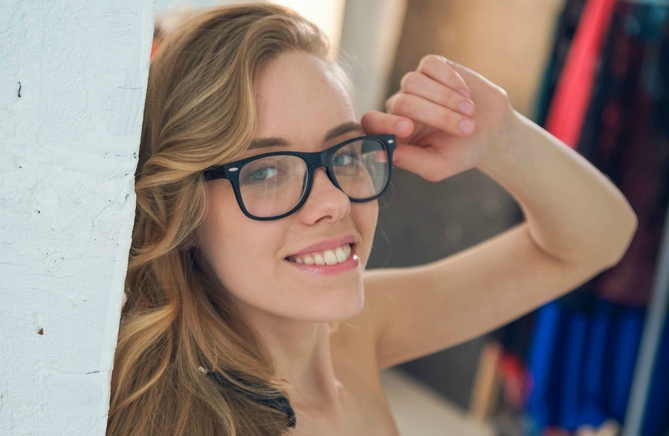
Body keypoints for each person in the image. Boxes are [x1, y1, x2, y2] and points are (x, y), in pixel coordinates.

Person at [106, 4, 637, 435]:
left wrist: (501, 137)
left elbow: (598, 240)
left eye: (343, 153)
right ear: (182, 211)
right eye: (266, 172)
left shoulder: (351, 334)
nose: (334, 202)